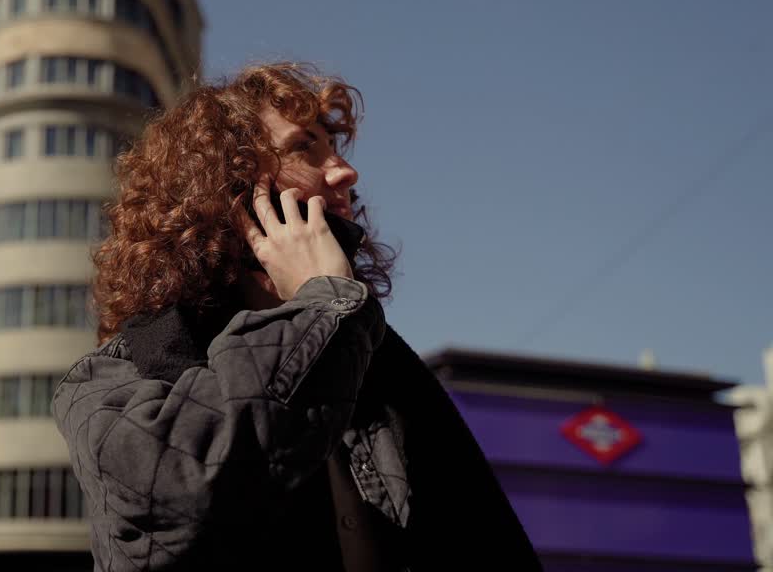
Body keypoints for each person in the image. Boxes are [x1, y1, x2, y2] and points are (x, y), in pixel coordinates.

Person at [52, 62, 541, 571]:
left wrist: (330, 313)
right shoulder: (109, 380)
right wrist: (321, 305)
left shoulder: (383, 368)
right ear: (225, 181)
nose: (345, 173)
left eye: (335, 149)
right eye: (305, 147)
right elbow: (185, 493)